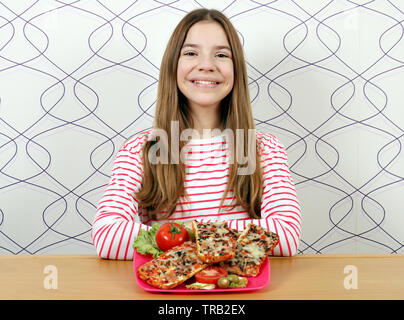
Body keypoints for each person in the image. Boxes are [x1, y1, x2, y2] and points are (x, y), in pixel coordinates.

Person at [91, 8, 301, 260]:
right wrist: (224, 240)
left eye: (221, 55)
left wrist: (181, 235)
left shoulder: (264, 149)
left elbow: (286, 235)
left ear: (236, 70)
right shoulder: (141, 150)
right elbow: (107, 236)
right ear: (173, 66)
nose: (206, 65)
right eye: (191, 53)